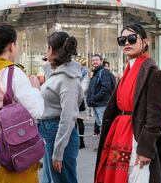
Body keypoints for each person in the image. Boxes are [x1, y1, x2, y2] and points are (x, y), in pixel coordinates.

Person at [95, 22, 161, 183]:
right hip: (119, 135)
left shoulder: (155, 74)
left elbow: (156, 118)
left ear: (144, 42)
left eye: (131, 38)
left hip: (137, 138)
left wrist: (145, 149)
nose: (127, 43)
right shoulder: (127, 71)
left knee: (136, 177)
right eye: (122, 40)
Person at [0, 23, 44, 182]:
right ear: (12, 46)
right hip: (11, 150)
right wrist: (36, 89)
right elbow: (36, 111)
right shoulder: (12, 72)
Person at [39, 31, 83, 183]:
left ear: (51, 50)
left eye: (47, 48)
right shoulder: (60, 74)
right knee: (51, 179)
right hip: (50, 132)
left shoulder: (68, 78)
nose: (45, 51)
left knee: (62, 179)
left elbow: (68, 116)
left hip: (58, 134)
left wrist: (58, 151)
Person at [87, 54, 115, 137]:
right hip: (97, 103)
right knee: (101, 125)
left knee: (105, 126)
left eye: (96, 60)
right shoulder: (97, 72)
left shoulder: (103, 72)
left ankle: (106, 146)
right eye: (93, 60)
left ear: (101, 61)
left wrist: (94, 98)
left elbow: (105, 88)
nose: (94, 62)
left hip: (102, 104)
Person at [76, 66, 90, 149]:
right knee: (75, 122)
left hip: (78, 100)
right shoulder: (83, 74)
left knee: (79, 121)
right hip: (76, 99)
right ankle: (78, 141)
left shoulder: (84, 74)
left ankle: (81, 141)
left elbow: (84, 88)